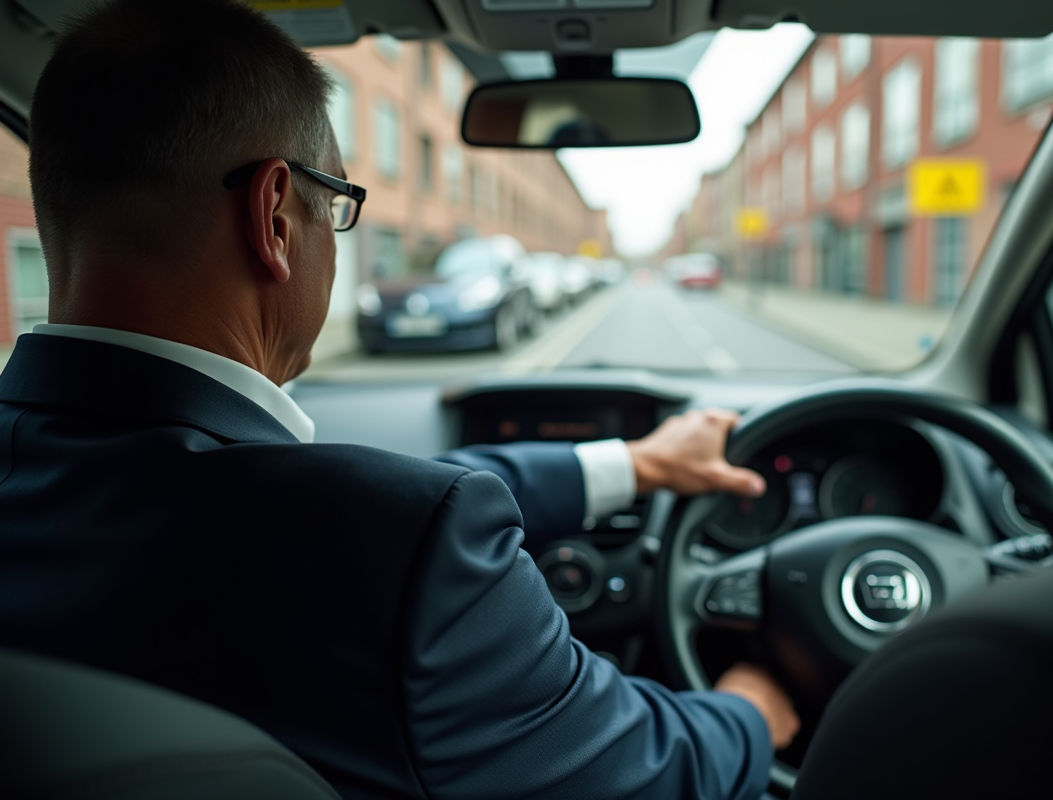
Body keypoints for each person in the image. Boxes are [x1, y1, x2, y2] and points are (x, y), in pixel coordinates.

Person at [0, 1, 799, 798]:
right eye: (336, 207)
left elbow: (375, 509)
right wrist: (754, 709)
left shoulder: (374, 530)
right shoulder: (389, 552)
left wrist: (633, 464)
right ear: (274, 217)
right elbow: (644, 773)